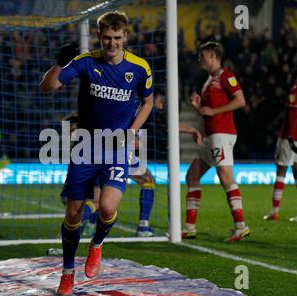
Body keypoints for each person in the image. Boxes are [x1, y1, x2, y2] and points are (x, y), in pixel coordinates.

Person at [40, 11, 154, 295]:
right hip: (86, 147)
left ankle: (97, 245)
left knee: (107, 207)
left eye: (117, 38)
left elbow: (148, 101)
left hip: (117, 148)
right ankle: (67, 272)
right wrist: (58, 64)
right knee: (74, 211)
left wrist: (132, 131)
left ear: (125, 37)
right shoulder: (86, 62)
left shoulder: (140, 68)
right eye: (106, 38)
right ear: (98, 36)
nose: (112, 43)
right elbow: (48, 87)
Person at [61, 89, 203, 238]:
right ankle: (142, 227)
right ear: (152, 99)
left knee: (97, 197)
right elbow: (171, 124)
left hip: (99, 149)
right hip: (116, 150)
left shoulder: (123, 102)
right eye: (160, 102)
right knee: (146, 181)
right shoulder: (142, 107)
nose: (161, 107)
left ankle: (85, 225)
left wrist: (192, 130)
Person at [182, 41, 250, 242]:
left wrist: (213, 111)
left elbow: (240, 100)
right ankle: (189, 227)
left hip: (222, 134)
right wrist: (198, 107)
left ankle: (241, 227)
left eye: (202, 55)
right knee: (192, 176)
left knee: (226, 178)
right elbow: (207, 112)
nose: (199, 59)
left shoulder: (225, 76)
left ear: (212, 55)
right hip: (211, 136)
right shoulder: (209, 80)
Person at [264, 64, 297, 222]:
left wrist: (290, 137)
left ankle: (274, 211)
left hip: (291, 137)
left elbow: (294, 115)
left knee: (281, 172)